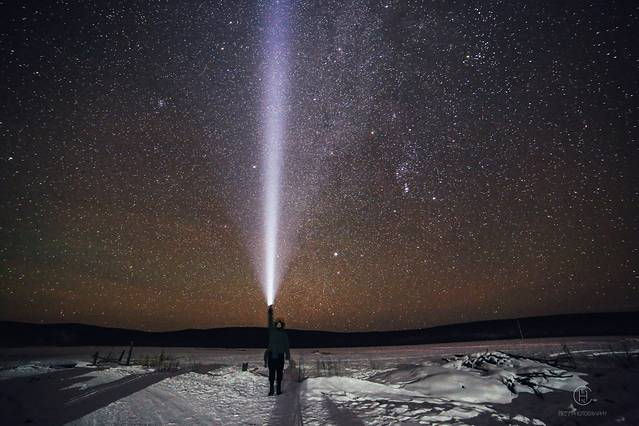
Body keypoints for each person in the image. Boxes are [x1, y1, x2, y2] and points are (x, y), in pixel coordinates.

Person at [264, 305, 290, 396]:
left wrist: (287, 355)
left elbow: (286, 345)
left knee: (279, 374)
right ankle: (272, 390)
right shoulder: (272, 331)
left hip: (279, 356)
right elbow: (270, 322)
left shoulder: (284, 335)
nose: (279, 325)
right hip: (272, 355)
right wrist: (270, 313)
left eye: (280, 323)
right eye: (278, 323)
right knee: (272, 374)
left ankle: (278, 390)